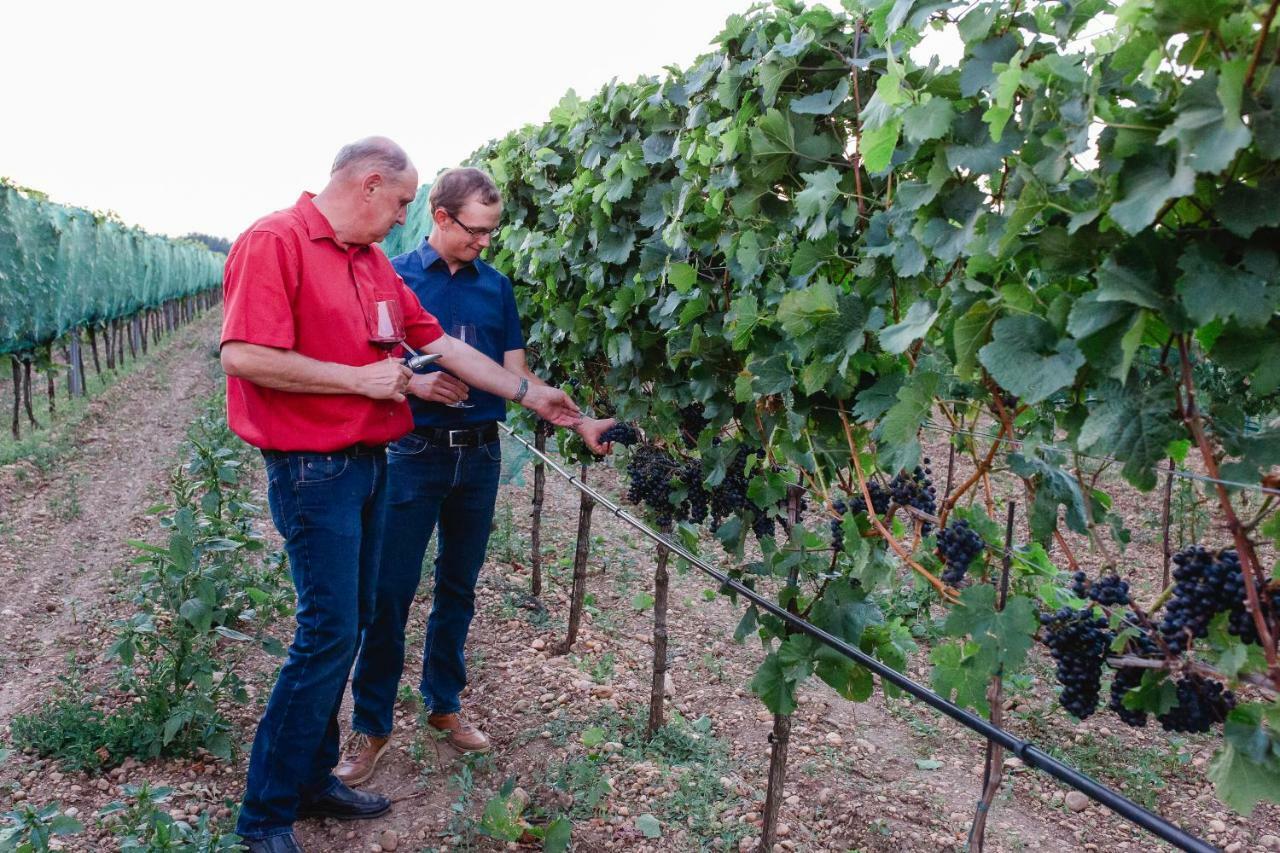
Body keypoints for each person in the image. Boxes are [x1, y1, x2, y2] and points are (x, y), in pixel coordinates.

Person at [220, 139, 594, 853]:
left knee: (351, 622)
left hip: (369, 463)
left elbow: (442, 346)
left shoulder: (368, 265)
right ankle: (264, 814)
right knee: (326, 631)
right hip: (312, 470)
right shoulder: (276, 241)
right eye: (399, 203)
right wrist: (359, 380)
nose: (402, 219)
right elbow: (242, 354)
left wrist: (534, 394)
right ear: (368, 185)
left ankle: (308, 781)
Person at [337, 167, 614, 785]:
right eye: (476, 230)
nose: (485, 242)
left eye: (493, 231)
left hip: (479, 455)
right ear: (440, 217)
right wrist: (415, 379)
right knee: (389, 593)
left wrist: (577, 420)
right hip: (412, 452)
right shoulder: (392, 277)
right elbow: (362, 364)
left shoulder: (497, 288)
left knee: (459, 587)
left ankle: (443, 706)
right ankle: (372, 724)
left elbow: (518, 377)